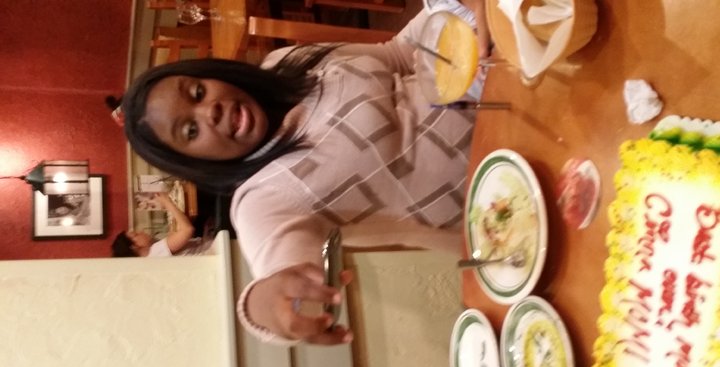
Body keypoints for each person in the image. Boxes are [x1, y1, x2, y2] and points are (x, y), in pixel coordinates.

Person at [120, 1, 490, 346]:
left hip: (500, 89)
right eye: (190, 130)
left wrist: (451, 7)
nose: (209, 111)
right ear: (195, 162)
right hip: (497, 197)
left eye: (198, 92)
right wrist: (267, 303)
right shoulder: (261, 199)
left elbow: (397, 52)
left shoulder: (287, 63)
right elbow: (274, 273)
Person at [111, 192, 210, 257]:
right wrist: (167, 202)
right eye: (136, 234)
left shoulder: (151, 256)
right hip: (211, 248)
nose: (141, 232)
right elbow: (188, 230)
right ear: (134, 247)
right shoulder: (156, 252)